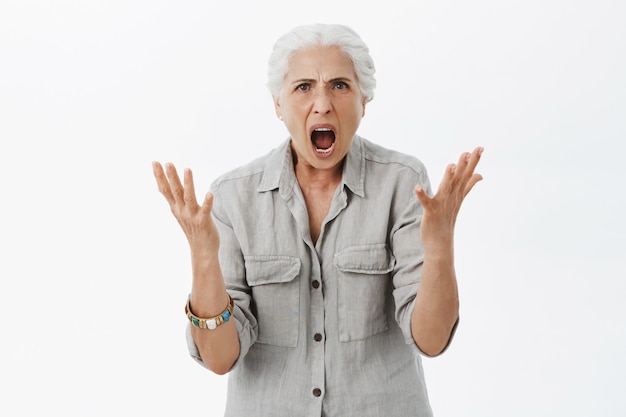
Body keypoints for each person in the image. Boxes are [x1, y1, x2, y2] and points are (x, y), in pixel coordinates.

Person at [152, 23, 483, 417]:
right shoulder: (232, 197)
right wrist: (204, 258)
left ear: (364, 101)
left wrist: (440, 246)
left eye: (340, 86)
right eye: (304, 87)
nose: (322, 103)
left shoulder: (403, 184)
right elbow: (220, 358)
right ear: (278, 103)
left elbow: (431, 339)